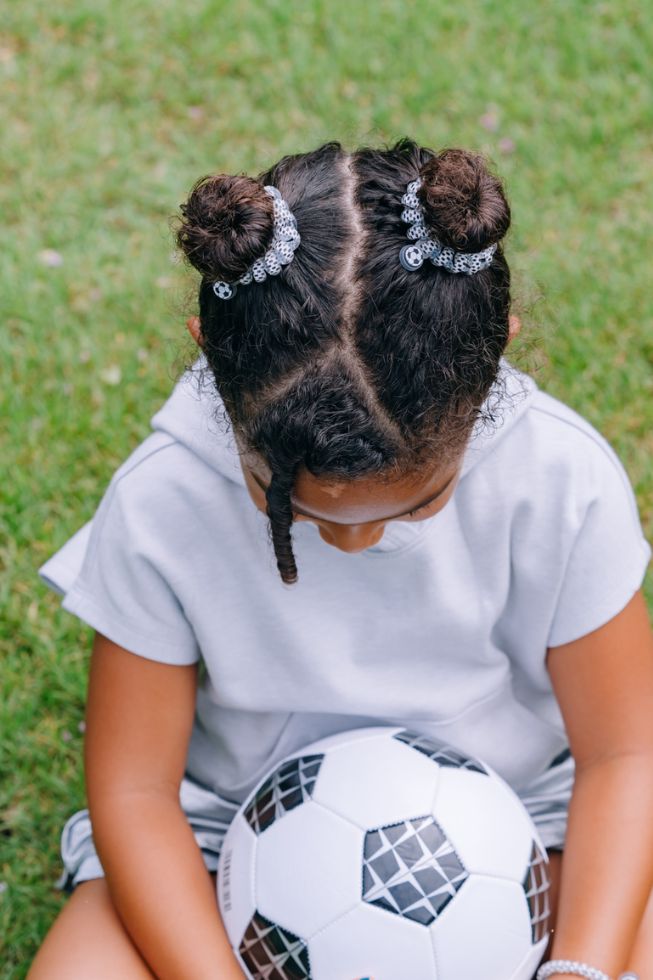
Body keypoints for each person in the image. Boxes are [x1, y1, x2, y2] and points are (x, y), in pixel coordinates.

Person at [29, 140, 653, 980]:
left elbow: (625, 757)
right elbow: (134, 793)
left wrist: (580, 969)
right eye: (286, 502)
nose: (352, 541)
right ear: (212, 363)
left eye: (414, 505)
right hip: (225, 837)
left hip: (529, 826)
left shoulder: (559, 482)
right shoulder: (163, 502)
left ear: (492, 367)